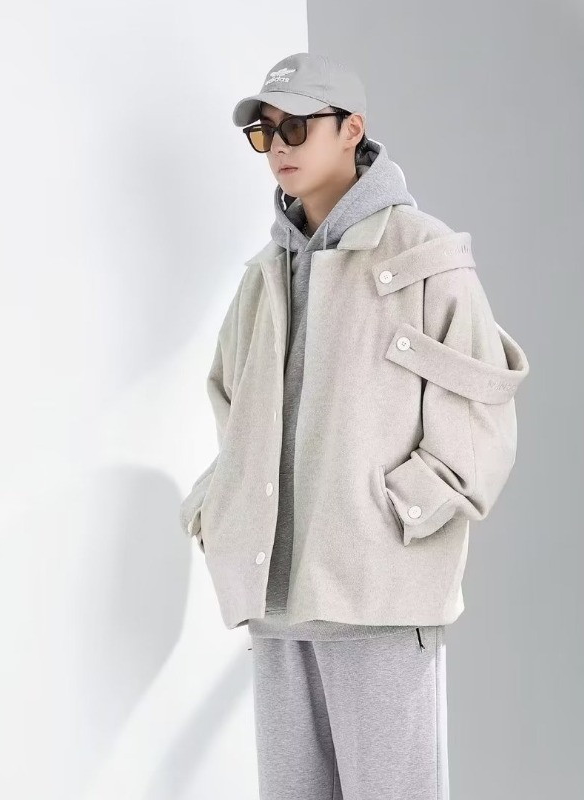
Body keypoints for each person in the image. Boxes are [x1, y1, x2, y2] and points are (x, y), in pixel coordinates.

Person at [180, 51, 530, 800]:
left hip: (379, 597)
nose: (278, 147)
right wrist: (224, 506)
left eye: (297, 128)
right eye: (265, 132)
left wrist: (397, 511)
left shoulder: (424, 255)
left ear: (351, 130)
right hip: (276, 602)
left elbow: (482, 407)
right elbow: (232, 406)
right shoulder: (264, 277)